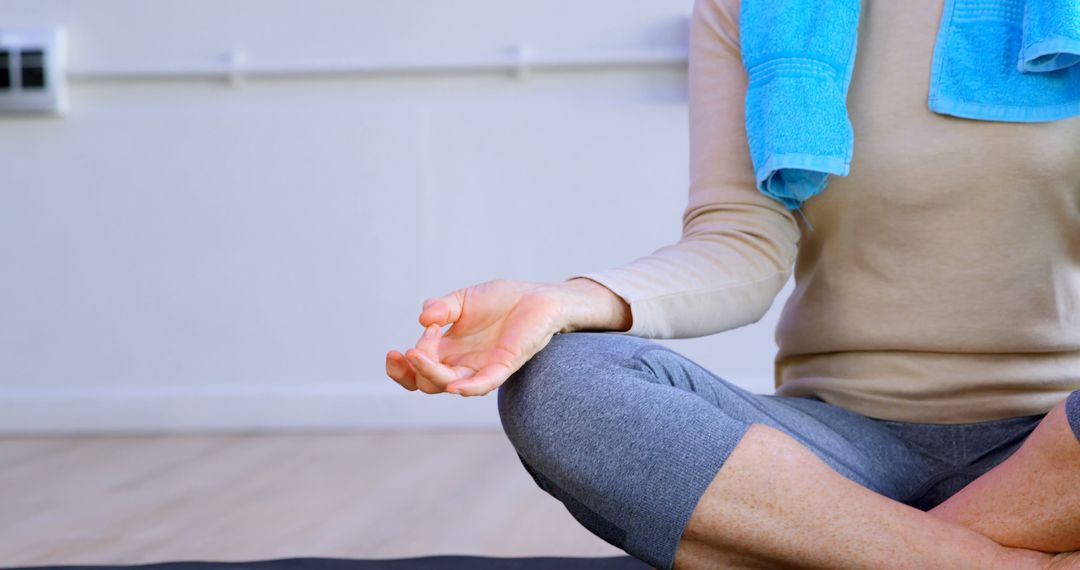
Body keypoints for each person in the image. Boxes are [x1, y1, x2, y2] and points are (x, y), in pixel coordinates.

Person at [384, 0, 1080, 567]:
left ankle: (851, 549)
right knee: (558, 382)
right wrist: (569, 300)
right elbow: (739, 243)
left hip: (1058, 454)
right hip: (838, 453)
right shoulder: (748, 7)